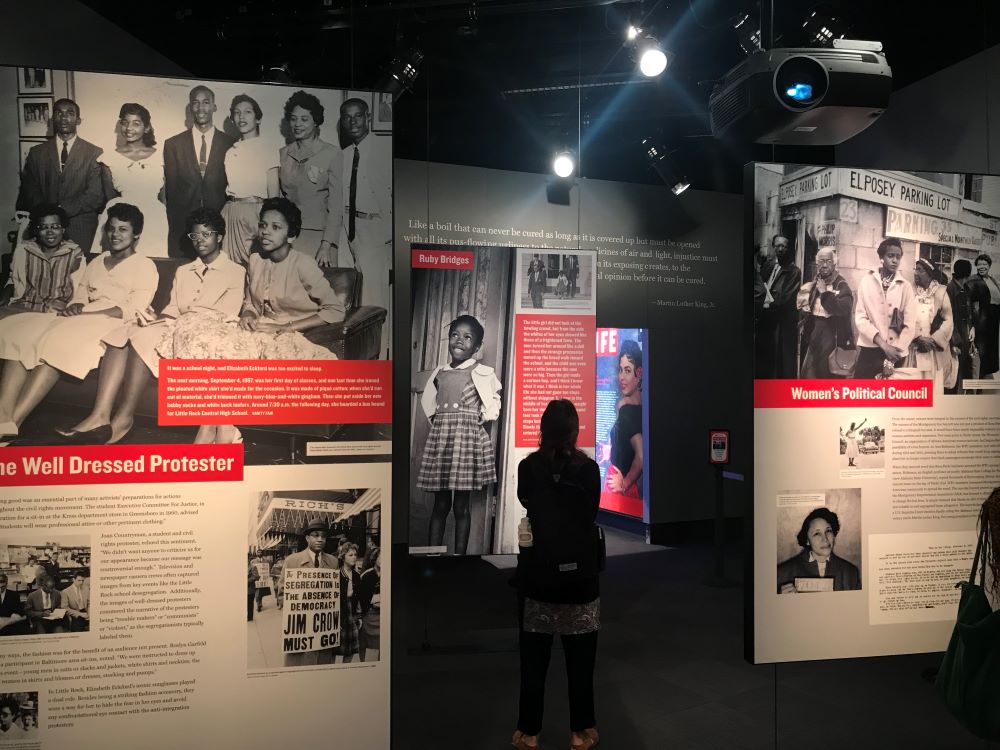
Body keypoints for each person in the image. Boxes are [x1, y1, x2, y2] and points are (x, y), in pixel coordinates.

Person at [160, 198, 343, 445]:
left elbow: (335, 310)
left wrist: (286, 327)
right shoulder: (256, 259)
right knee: (214, 346)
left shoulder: (304, 265)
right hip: (258, 330)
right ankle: (220, 425)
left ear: (291, 235)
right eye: (263, 224)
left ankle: (214, 428)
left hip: (287, 334)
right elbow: (250, 301)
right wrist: (248, 313)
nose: (266, 231)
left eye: (276, 227)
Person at [55, 207, 245, 444]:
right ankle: (106, 416)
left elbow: (228, 313)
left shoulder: (236, 271)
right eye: (194, 235)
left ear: (220, 236)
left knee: (144, 336)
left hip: (208, 331)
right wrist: (155, 316)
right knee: (127, 331)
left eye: (207, 234)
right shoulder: (184, 271)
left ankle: (123, 419)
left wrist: (180, 321)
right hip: (177, 325)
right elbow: (174, 308)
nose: (200, 241)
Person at [0, 203, 157, 440]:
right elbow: (81, 294)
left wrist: (86, 314)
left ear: (136, 234)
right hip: (81, 318)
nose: (115, 235)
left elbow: (132, 309)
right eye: (112, 229)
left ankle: (16, 419)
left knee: (56, 343)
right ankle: (3, 418)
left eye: (123, 230)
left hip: (110, 324)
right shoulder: (97, 261)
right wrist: (76, 305)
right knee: (21, 333)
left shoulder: (145, 265)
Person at [514, 399, 601, 750]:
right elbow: (590, 511)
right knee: (581, 663)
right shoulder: (589, 469)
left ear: (543, 429)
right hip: (580, 579)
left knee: (533, 664)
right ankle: (581, 732)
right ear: (574, 431)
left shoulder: (528, 467)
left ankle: (529, 732)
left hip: (538, 576)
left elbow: (525, 501)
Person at [417, 314, 502, 555]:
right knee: (440, 504)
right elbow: (429, 402)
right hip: (443, 442)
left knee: (461, 506)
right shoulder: (440, 372)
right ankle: (433, 555)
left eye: (467, 337)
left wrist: (479, 418)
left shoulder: (482, 372)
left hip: (465, 443)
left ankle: (459, 557)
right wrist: (440, 422)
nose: (459, 341)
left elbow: (493, 402)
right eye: (455, 335)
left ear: (476, 346)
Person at [16, 98, 104, 253]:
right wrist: (48, 215)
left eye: (70, 113)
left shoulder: (94, 153)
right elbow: (30, 190)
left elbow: (95, 196)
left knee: (79, 275)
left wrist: (61, 210)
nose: (64, 118)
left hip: (81, 229)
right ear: (53, 119)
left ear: (78, 120)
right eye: (59, 113)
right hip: (44, 227)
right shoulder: (36, 153)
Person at [163, 85, 234, 258]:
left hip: (219, 220)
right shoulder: (173, 144)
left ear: (214, 107)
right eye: (196, 103)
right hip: (184, 224)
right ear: (190, 107)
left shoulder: (230, 143)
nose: (201, 108)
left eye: (206, 102)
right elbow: (171, 190)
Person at [276, 90, 343, 267]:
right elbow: (283, 198)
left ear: (316, 122)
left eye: (304, 119)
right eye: (293, 118)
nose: (297, 124)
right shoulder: (284, 154)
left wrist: (326, 245)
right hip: (290, 237)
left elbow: (336, 208)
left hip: (320, 239)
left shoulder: (332, 154)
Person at [93, 103, 168, 257]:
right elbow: (110, 197)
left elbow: (163, 197)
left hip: (154, 218)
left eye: (136, 123)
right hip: (120, 219)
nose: (129, 128)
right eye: (125, 122)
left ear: (146, 128)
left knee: (153, 263)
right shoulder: (109, 158)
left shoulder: (162, 157)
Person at [339, 97, 391, 312]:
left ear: (368, 117)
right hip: (347, 229)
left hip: (374, 230)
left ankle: (378, 346)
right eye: (347, 117)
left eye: (358, 116)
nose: (353, 122)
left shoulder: (385, 149)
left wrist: (386, 234)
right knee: (349, 295)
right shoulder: (342, 155)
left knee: (373, 299)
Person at [0, 204, 85, 322]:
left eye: (55, 226)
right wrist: (4, 296)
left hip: (56, 311)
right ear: (36, 230)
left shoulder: (75, 253)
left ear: (63, 230)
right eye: (43, 227)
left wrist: (75, 304)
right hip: (24, 307)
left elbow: (82, 287)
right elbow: (13, 279)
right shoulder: (24, 250)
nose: (50, 232)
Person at [853, 238, 917, 379]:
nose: (895, 260)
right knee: (862, 395)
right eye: (890, 256)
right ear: (881, 257)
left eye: (898, 257)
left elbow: (910, 325)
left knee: (889, 398)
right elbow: (861, 318)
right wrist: (883, 345)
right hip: (870, 350)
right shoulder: (866, 281)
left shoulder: (905, 286)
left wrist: (891, 358)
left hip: (896, 352)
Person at [222, 94, 274, 265]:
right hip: (230, 214)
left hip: (256, 214)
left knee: (258, 267)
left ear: (258, 118)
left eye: (248, 112)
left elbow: (274, 194)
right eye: (237, 113)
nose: (241, 117)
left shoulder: (268, 148)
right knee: (231, 268)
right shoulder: (230, 152)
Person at [281, 515, 337, 666]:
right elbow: (282, 593)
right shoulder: (292, 561)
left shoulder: (333, 562)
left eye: (323, 536)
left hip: (323, 629)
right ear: (307, 538)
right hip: (300, 630)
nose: (320, 539)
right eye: (315, 535)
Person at [797, 247, 854, 378]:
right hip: (814, 331)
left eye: (828, 261)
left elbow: (843, 309)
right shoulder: (815, 281)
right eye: (821, 261)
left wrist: (825, 293)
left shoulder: (841, 284)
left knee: (826, 373)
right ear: (817, 264)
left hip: (831, 334)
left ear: (834, 264)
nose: (824, 265)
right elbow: (807, 306)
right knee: (810, 373)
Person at [777, 507, 861, 593]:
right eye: (817, 533)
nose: (825, 539)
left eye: (828, 531)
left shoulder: (850, 572)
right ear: (807, 540)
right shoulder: (783, 573)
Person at [757, 234, 802, 378]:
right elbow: (759, 286)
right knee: (764, 357)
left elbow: (784, 298)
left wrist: (764, 301)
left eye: (784, 246)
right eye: (777, 246)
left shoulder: (794, 271)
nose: (780, 249)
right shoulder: (769, 265)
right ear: (773, 247)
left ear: (789, 249)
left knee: (780, 361)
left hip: (782, 323)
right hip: (765, 319)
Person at [907, 258, 954, 384]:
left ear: (929, 273)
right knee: (913, 386)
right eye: (915, 269)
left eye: (920, 270)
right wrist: (916, 337)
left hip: (932, 349)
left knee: (931, 386)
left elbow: (948, 320)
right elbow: (902, 318)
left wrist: (933, 340)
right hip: (914, 347)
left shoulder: (940, 292)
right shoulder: (909, 290)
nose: (916, 273)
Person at [606, 339, 642, 498]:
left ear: (639, 373)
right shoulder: (636, 406)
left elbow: (641, 456)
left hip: (620, 487)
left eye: (627, 370)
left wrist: (625, 484)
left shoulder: (627, 410)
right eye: (620, 370)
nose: (621, 377)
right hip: (626, 485)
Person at [946, 259, 976, 393]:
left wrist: (972, 327)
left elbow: (970, 312)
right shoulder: (950, 289)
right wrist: (954, 342)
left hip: (966, 334)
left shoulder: (966, 288)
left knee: (965, 368)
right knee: (954, 372)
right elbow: (947, 319)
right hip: (955, 335)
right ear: (966, 275)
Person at [970, 253, 1000, 378]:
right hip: (982, 321)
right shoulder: (974, 280)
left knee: (991, 349)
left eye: (985, 264)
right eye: (980, 264)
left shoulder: (992, 279)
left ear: (989, 266)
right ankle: (979, 377)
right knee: (981, 351)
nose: (982, 267)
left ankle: (986, 374)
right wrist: (973, 325)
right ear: (976, 266)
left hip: (993, 321)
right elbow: (973, 304)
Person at [335, 541, 362, 664]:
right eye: (350, 555)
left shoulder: (357, 575)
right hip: (340, 614)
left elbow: (358, 599)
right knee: (335, 649)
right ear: (343, 556)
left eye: (355, 555)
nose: (354, 557)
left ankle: (345, 670)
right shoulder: (336, 575)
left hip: (352, 614)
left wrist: (359, 616)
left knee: (350, 649)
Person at [358, 546, 381, 662]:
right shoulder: (367, 575)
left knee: (382, 643)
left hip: (382, 616)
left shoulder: (389, 573)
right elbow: (361, 597)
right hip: (369, 614)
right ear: (375, 559)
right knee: (363, 642)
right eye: (380, 557)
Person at [247, 558, 259, 622]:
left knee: (249, 603)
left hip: (250, 588)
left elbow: (256, 576)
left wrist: (248, 581)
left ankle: (250, 617)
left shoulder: (253, 567)